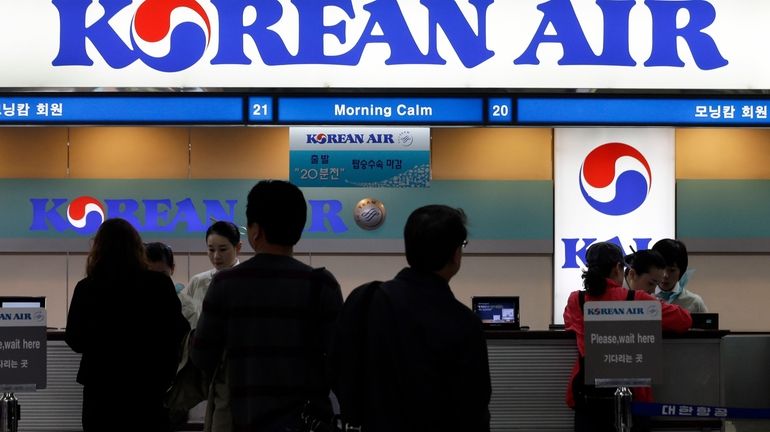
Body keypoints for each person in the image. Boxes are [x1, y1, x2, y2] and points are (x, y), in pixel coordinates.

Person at [191, 180, 343, 432]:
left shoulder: (226, 284)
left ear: (255, 232)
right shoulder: (321, 284)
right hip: (308, 422)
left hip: (245, 419)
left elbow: (202, 356)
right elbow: (339, 361)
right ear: (299, 229)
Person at [330, 205, 491, 432]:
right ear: (455, 254)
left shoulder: (365, 299)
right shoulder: (464, 323)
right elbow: (473, 407)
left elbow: (338, 370)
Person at [65, 219, 190, 432]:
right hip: (148, 390)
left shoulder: (87, 287)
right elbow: (179, 331)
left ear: (98, 248)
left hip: (101, 391)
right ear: (137, 248)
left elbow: (75, 338)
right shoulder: (158, 285)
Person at [564, 242, 692, 432]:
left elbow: (569, 325)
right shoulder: (636, 299)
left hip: (588, 398)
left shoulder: (577, 300)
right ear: (618, 268)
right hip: (634, 399)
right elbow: (684, 320)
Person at [184, 221, 242, 322]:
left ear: (238, 247)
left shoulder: (247, 280)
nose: (216, 256)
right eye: (211, 250)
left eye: (223, 249)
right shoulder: (197, 281)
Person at [146, 241, 198, 328]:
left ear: (172, 269)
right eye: (150, 274)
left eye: (162, 275)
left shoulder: (188, 307)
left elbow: (189, 339)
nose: (156, 280)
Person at [652, 238, 708, 313]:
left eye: (672, 270)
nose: (665, 275)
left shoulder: (694, 302)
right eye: (662, 269)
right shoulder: (642, 299)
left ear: (681, 271)